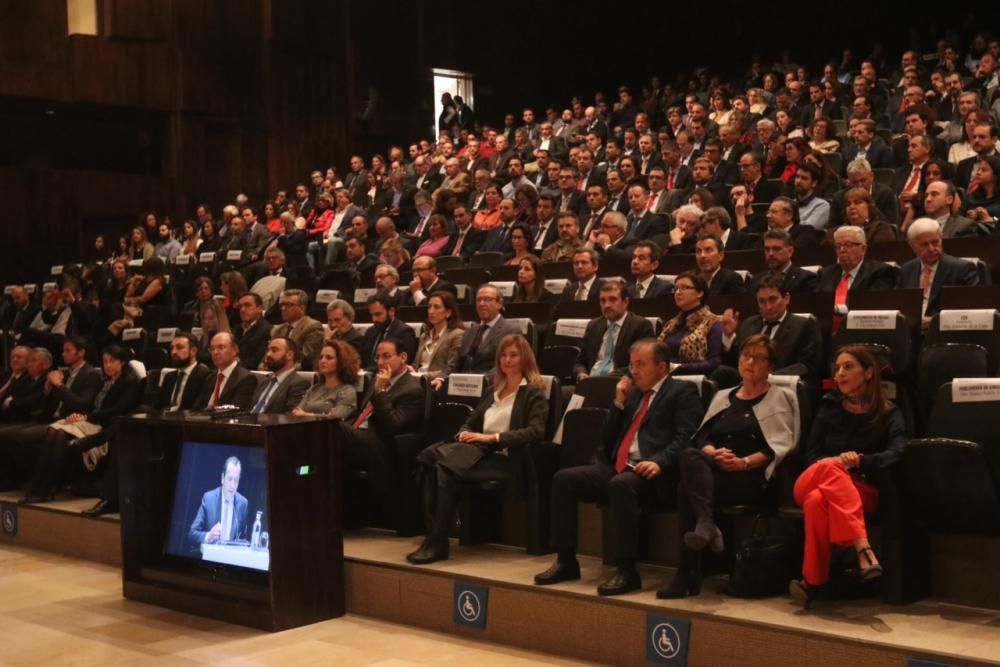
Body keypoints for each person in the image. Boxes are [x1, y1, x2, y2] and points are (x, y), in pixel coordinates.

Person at [534, 339, 703, 595]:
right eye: (632, 364)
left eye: (640, 364)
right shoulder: (633, 394)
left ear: (661, 367)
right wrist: (618, 404)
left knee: (621, 485)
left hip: (656, 473)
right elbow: (607, 439)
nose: (633, 371)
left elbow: (687, 437)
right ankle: (566, 560)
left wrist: (660, 461)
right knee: (563, 479)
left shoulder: (682, 391)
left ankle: (627, 569)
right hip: (620, 466)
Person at [661, 335, 799, 598]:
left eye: (759, 359)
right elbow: (702, 437)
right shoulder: (724, 396)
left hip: (751, 477)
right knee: (690, 455)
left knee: (685, 489)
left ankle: (687, 572)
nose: (750, 362)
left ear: (770, 367)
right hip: (715, 469)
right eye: (746, 356)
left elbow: (779, 446)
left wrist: (743, 462)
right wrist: (714, 453)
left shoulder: (781, 397)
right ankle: (706, 525)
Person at [407, 334, 550, 564]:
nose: (507, 359)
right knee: (434, 466)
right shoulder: (494, 389)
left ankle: (435, 542)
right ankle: (435, 540)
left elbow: (535, 432)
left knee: (441, 468)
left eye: (513, 355)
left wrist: (491, 437)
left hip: (505, 458)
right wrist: (465, 432)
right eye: (503, 355)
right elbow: (470, 420)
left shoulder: (533, 392)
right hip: (477, 454)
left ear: (525, 358)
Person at [789, 346, 907, 609]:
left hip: (861, 488)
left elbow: (897, 453)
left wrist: (862, 460)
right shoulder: (829, 406)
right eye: (837, 368)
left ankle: (812, 582)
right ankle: (862, 546)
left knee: (817, 501)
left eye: (848, 367)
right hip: (814, 476)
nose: (840, 373)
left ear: (868, 373)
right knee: (831, 467)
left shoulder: (889, 413)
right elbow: (811, 455)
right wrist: (838, 463)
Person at [18, 344, 142, 504]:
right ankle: (40, 488)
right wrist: (81, 416)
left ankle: (44, 489)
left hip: (104, 426)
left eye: (113, 361)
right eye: (105, 362)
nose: (108, 365)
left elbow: (116, 411)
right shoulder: (106, 381)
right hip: (90, 420)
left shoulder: (129, 383)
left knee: (59, 434)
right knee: (54, 433)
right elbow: (90, 405)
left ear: (122, 362)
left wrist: (86, 417)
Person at [339, 339, 426, 491]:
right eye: (377, 358)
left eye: (386, 356)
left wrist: (380, 392)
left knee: (334, 427)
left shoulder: (412, 390)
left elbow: (393, 426)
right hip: (359, 435)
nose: (380, 362)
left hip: (381, 444)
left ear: (403, 357)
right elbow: (362, 414)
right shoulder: (376, 380)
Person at [436, 284, 521, 388]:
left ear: (499, 303)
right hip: (462, 386)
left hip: (490, 386)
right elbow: (455, 363)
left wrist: (478, 381)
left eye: (487, 299)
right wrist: (441, 378)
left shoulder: (511, 330)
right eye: (478, 300)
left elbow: (504, 366)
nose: (481, 304)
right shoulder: (469, 332)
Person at [898, 218, 979, 326]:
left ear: (941, 238)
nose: (932, 249)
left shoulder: (962, 269)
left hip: (944, 331)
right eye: (925, 244)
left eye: (935, 242)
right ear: (912, 247)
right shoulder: (906, 269)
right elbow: (899, 306)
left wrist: (933, 321)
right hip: (911, 330)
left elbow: (968, 311)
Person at [573, 280, 654, 382]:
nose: (607, 305)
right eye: (603, 300)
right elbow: (580, 362)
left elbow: (640, 364)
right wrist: (581, 374)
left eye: (613, 300)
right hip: (589, 382)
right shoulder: (594, 325)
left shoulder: (640, 326)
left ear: (625, 302)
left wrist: (605, 379)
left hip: (620, 384)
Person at [818, 226, 896, 321]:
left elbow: (872, 305)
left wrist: (838, 309)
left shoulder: (880, 272)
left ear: (863, 249)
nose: (842, 250)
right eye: (838, 246)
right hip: (826, 330)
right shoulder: (825, 273)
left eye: (848, 245)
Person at [657, 271, 723, 375]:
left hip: (692, 378)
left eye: (684, 288)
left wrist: (678, 367)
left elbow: (714, 363)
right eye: (676, 288)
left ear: (700, 293)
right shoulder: (671, 324)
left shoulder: (712, 323)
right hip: (665, 375)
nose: (678, 292)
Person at [188, 456, 249, 548]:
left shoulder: (243, 504)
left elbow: (244, 539)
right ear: (222, 478)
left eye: (236, 480)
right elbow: (192, 534)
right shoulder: (209, 499)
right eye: (229, 479)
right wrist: (209, 536)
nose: (232, 485)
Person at [291, 341, 360, 420]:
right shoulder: (314, 388)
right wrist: (322, 415)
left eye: (329, 357)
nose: (323, 361)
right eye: (321, 357)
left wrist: (306, 414)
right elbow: (296, 413)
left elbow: (336, 418)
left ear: (342, 362)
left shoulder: (347, 391)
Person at [193, 332, 258, 409]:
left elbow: (236, 411)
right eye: (212, 349)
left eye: (221, 347)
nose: (215, 352)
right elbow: (197, 408)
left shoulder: (246, 379)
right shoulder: (210, 377)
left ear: (235, 350)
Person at [249, 337, 310, 414]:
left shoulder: (298, 383)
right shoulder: (264, 380)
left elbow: (290, 416)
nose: (268, 354)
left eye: (274, 350)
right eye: (268, 350)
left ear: (289, 355)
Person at [359, 293, 419, 371]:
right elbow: (364, 360)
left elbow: (401, 364)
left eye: (378, 314)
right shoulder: (371, 331)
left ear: (391, 311)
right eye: (372, 315)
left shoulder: (404, 332)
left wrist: (368, 371)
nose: (374, 320)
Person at [412, 291, 465, 380]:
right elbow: (416, 364)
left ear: (448, 312)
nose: (431, 311)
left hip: (437, 384)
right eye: (429, 307)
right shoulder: (424, 336)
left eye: (436, 307)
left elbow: (450, 369)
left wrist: (421, 375)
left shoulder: (456, 335)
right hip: (417, 381)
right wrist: (410, 369)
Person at [269, 289, 324, 371]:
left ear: (302, 307)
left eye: (289, 305)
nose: (283, 308)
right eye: (282, 305)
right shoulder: (277, 330)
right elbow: (268, 355)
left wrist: (284, 370)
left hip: (296, 373)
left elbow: (305, 359)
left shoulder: (313, 327)